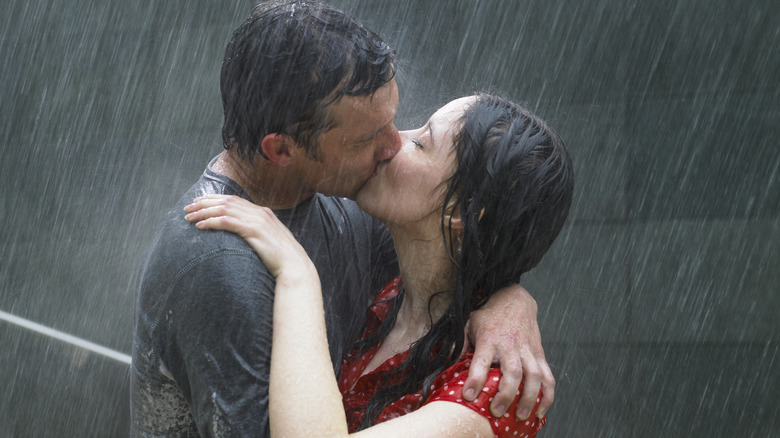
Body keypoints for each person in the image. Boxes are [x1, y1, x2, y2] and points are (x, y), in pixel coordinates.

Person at [131, 1, 554, 436]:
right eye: (370, 137)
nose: (392, 145)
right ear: (281, 150)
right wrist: (299, 276)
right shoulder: (219, 266)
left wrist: (510, 301)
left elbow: (472, 249)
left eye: (405, 129)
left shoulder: (356, 210)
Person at [184, 93, 574, 437]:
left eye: (421, 143)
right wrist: (514, 296)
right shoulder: (389, 285)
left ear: (464, 212)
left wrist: (297, 273)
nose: (391, 142)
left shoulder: (495, 387)